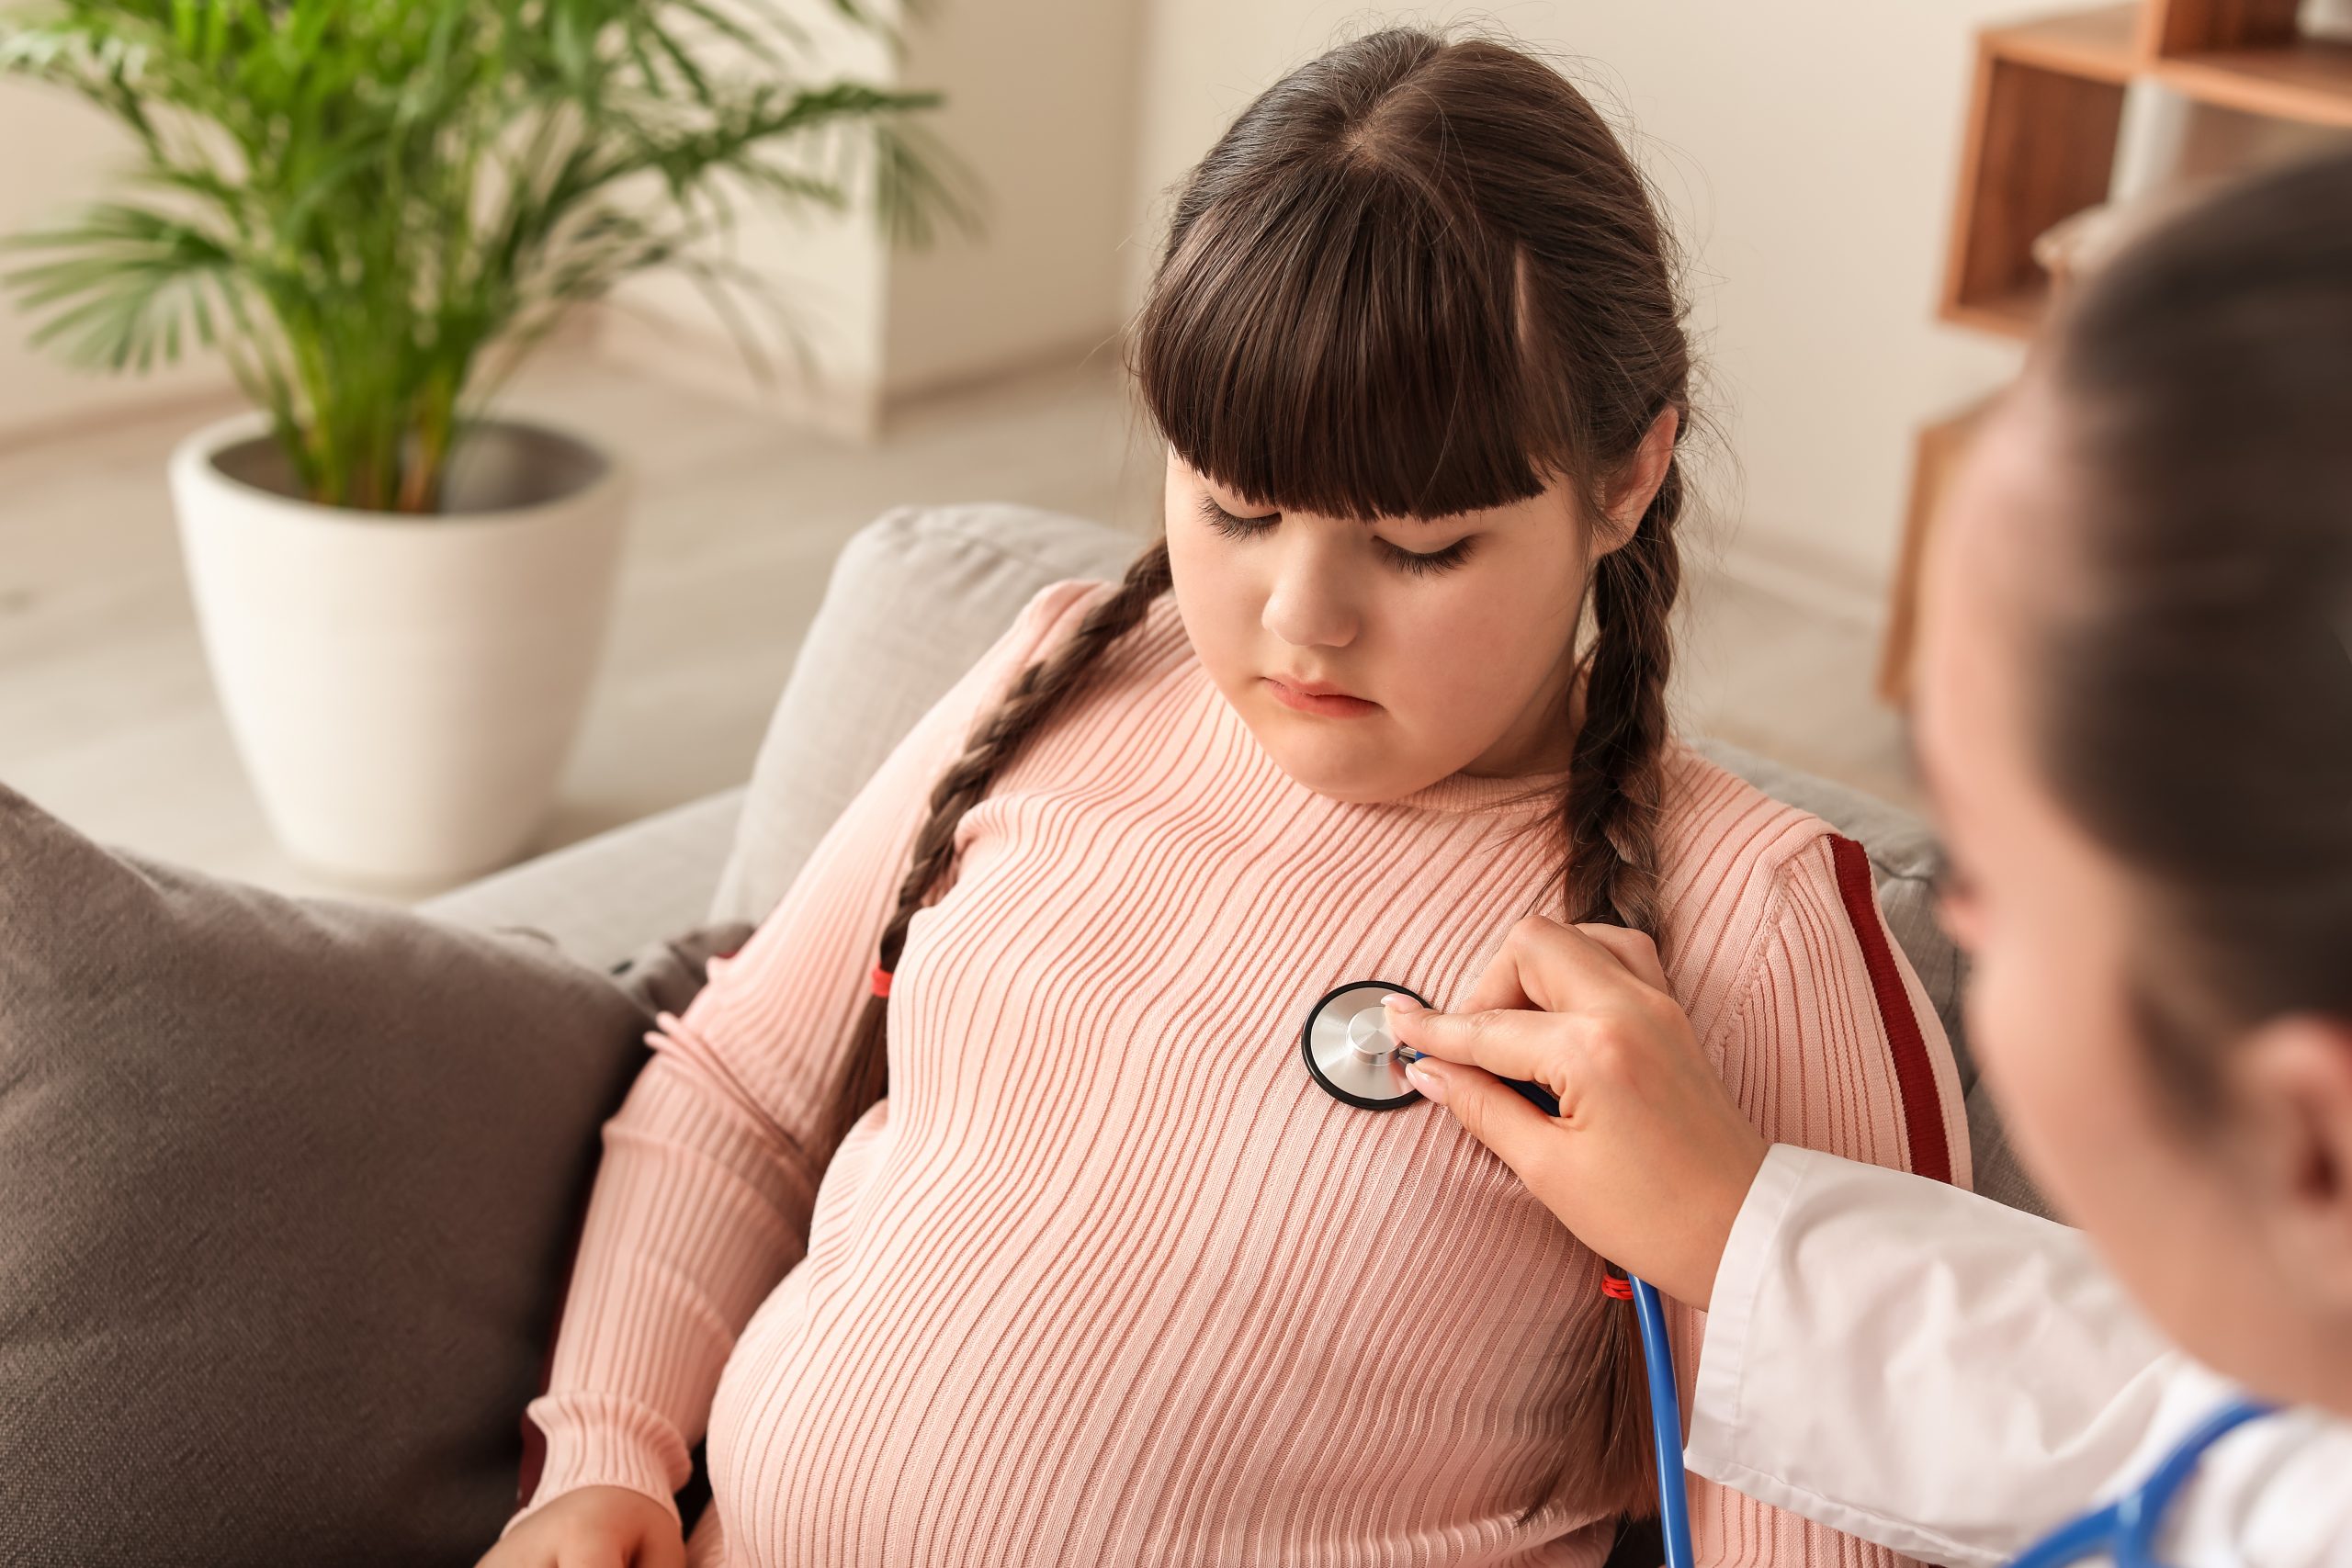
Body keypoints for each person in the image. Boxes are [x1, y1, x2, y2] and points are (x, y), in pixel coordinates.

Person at [480, 24, 1973, 1568]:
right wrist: (602, 1460)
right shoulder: (1067, 671)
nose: (1299, 621)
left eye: (1419, 546)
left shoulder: (1753, 926)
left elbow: (1854, 1483)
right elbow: (737, 1096)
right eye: (1236, 507)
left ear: (1628, 473)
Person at [1390, 147, 2352, 1565]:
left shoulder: (1771, 918)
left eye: (2002, 886)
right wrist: (1739, 1231)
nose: (1946, 904)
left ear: (2315, 1150)